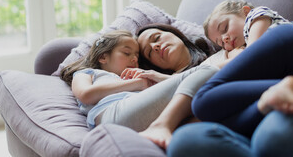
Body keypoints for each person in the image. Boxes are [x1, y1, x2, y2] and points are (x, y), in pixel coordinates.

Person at [167, 0, 293, 156]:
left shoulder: (256, 16)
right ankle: (266, 103)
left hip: (292, 46)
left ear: (245, 11)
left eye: (225, 28)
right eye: (220, 42)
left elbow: (253, 50)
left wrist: (236, 56)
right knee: (186, 138)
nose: (225, 39)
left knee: (203, 102)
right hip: (284, 79)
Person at [60, 29, 218, 132]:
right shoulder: (87, 73)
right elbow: (86, 95)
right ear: (103, 57)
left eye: (137, 55)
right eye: (127, 53)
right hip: (112, 117)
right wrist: (137, 83)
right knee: (208, 71)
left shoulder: (128, 77)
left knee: (200, 97)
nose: (134, 59)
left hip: (134, 120)